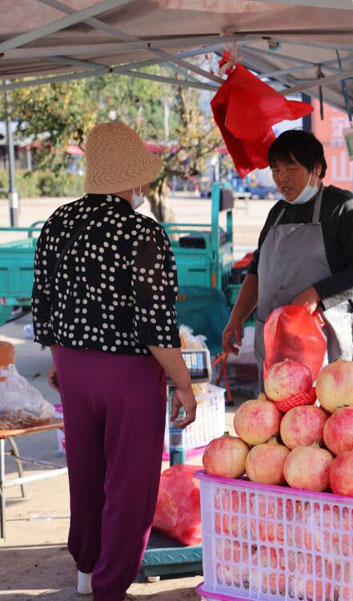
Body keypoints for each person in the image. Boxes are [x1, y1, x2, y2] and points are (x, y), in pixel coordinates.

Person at [31, 121, 197, 601]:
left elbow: (44, 301)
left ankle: (86, 572)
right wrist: (183, 383)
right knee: (129, 479)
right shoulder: (143, 232)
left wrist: (61, 359)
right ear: (135, 178)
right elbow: (155, 322)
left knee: (86, 470)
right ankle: (110, 586)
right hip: (128, 372)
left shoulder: (58, 223)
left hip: (72, 367)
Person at [222, 129, 353, 372]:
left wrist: (316, 293)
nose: (282, 179)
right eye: (276, 171)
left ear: (316, 168)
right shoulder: (278, 212)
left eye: (290, 169)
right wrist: (236, 318)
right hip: (274, 345)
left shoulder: (342, 207)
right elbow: (256, 270)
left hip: (323, 346)